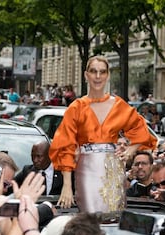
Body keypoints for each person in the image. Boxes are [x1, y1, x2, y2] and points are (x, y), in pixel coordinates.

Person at [49, 56, 156, 213]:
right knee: (90, 218)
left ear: (107, 75)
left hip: (113, 168)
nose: (98, 76)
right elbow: (65, 145)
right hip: (86, 167)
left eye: (102, 72)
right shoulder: (76, 107)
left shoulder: (119, 105)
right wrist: (66, 185)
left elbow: (141, 130)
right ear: (86, 75)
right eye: (93, 71)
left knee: (113, 216)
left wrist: (130, 151)